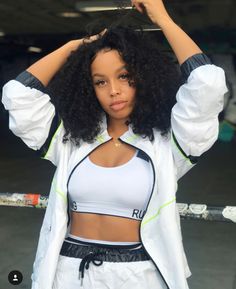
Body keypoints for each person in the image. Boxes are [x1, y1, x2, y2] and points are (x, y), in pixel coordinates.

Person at [1, 0, 227, 289]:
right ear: (88, 88)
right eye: (100, 81)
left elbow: (207, 84)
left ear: (143, 77)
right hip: (66, 273)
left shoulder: (169, 145)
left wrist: (164, 20)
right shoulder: (71, 142)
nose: (114, 91)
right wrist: (76, 47)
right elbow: (18, 95)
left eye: (124, 76)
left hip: (140, 275)